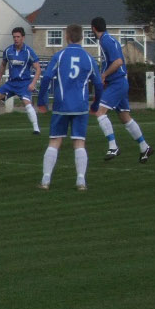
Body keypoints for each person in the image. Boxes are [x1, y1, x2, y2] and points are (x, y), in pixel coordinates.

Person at [37, 23, 105, 191]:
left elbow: (46, 78)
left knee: (55, 140)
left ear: (67, 36)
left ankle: (46, 180)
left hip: (61, 105)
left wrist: (41, 101)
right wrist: (95, 104)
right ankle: (81, 181)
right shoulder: (89, 58)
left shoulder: (59, 56)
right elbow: (98, 84)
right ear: (82, 37)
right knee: (79, 142)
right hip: (81, 106)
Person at [90, 17, 152, 162]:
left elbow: (118, 62)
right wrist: (105, 76)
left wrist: (104, 75)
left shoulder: (105, 41)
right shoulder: (108, 40)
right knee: (125, 117)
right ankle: (145, 147)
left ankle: (113, 146)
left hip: (117, 83)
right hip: (119, 81)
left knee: (99, 112)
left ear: (93, 28)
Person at [0, 26, 41, 135]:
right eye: (14, 37)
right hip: (11, 84)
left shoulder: (29, 52)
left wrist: (33, 83)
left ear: (23, 38)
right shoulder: (8, 51)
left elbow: (38, 68)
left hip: (24, 84)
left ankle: (36, 129)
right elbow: (2, 65)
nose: (16, 39)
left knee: (27, 104)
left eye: (18, 37)